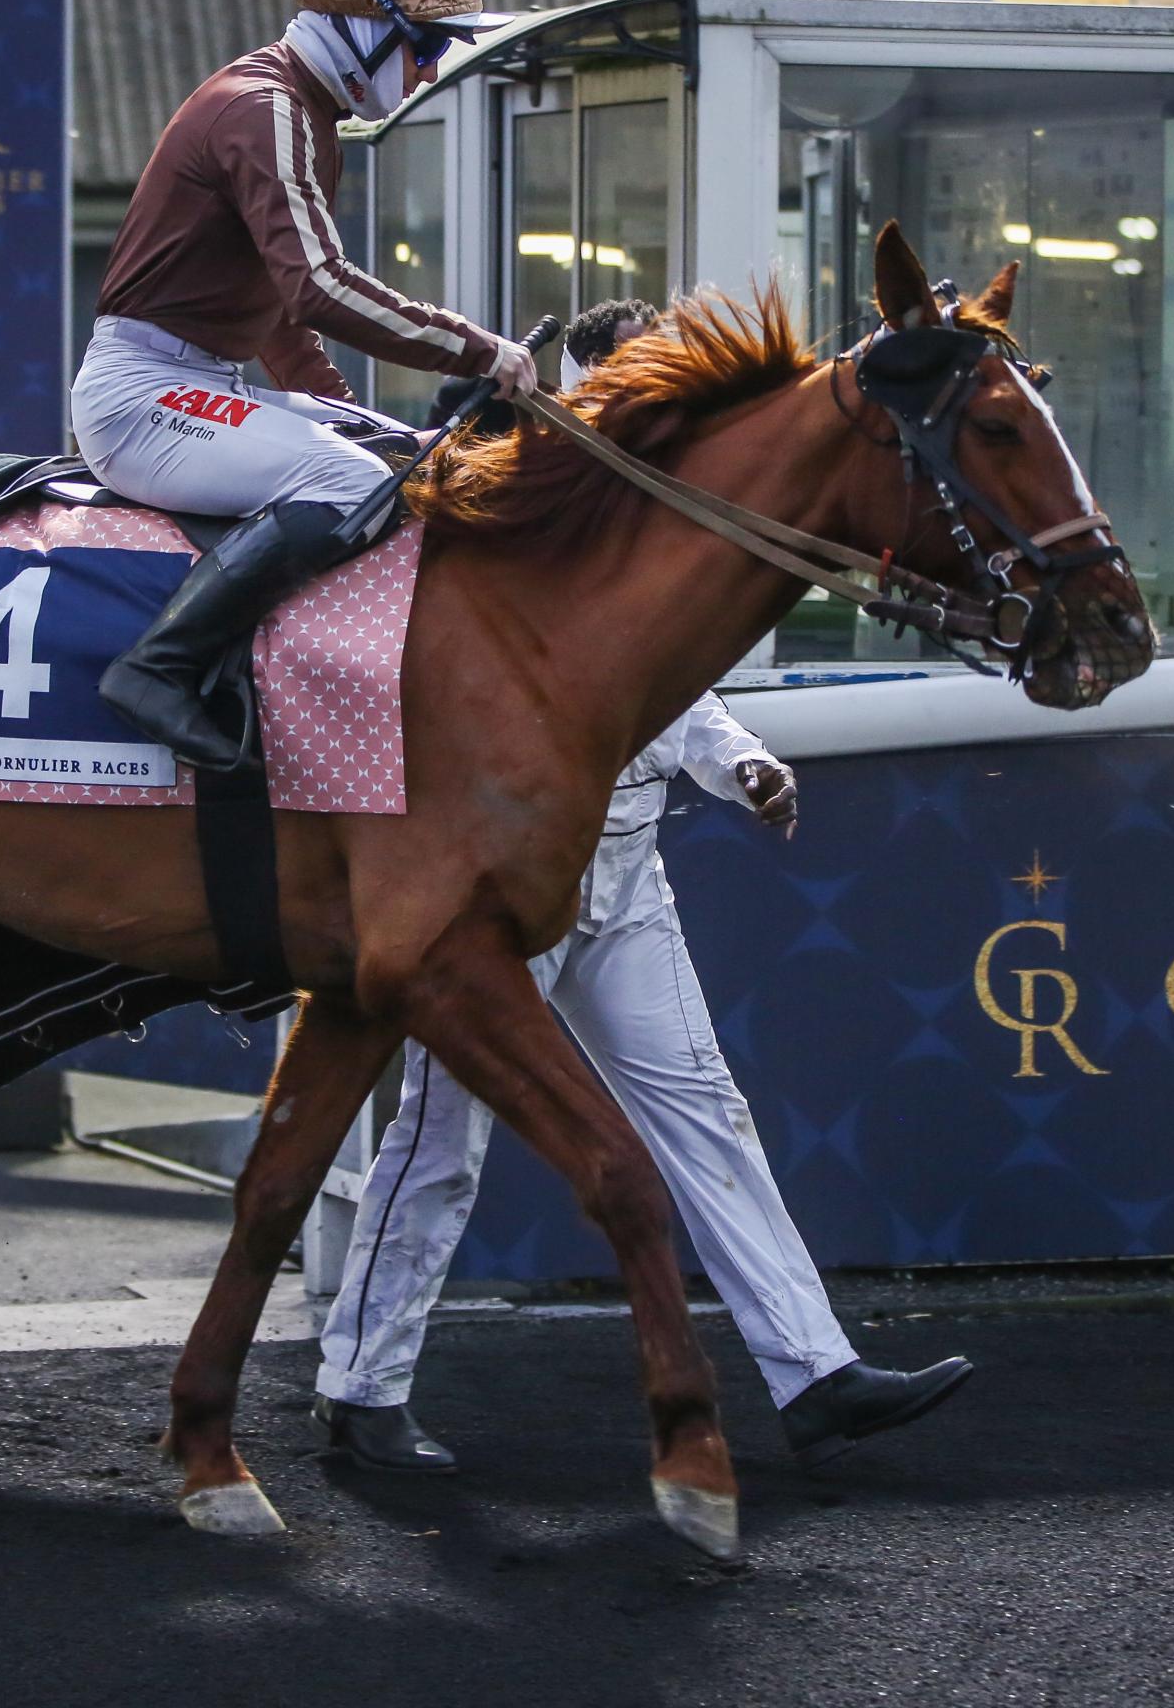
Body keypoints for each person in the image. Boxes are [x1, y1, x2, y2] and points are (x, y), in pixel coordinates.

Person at [311, 313, 973, 1476]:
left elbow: (664, 681)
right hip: (496, 871)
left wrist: (737, 761)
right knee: (441, 1135)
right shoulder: (538, 504)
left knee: (702, 1107)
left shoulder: (645, 513)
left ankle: (815, 1371)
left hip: (618, 864)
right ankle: (359, 1384)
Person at [75, 0, 538, 768]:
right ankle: (158, 671)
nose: (432, 73)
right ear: (369, 27)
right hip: (141, 394)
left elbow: (285, 310)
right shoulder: (268, 107)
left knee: (402, 456)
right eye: (429, 45)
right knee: (344, 480)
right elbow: (320, 289)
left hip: (202, 382)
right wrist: (481, 348)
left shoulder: (304, 114)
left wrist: (351, 413)